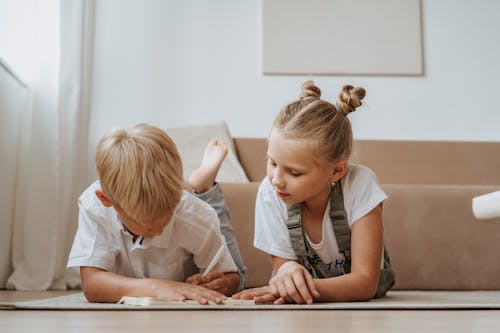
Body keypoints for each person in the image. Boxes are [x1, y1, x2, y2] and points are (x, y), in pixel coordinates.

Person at [233, 81, 394, 304]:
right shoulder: (270, 193)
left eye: (295, 173)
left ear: (336, 171)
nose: (277, 180)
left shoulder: (359, 184)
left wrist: (299, 290)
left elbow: (365, 283)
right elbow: (284, 268)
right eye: (272, 163)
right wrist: (287, 272)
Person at [67, 124, 247, 304]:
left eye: (169, 212)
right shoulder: (95, 207)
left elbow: (231, 278)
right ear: (107, 200)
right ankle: (204, 188)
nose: (160, 227)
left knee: (240, 273)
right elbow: (92, 285)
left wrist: (221, 284)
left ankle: (206, 189)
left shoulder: (195, 215)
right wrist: (156, 287)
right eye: (146, 221)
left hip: (200, 212)